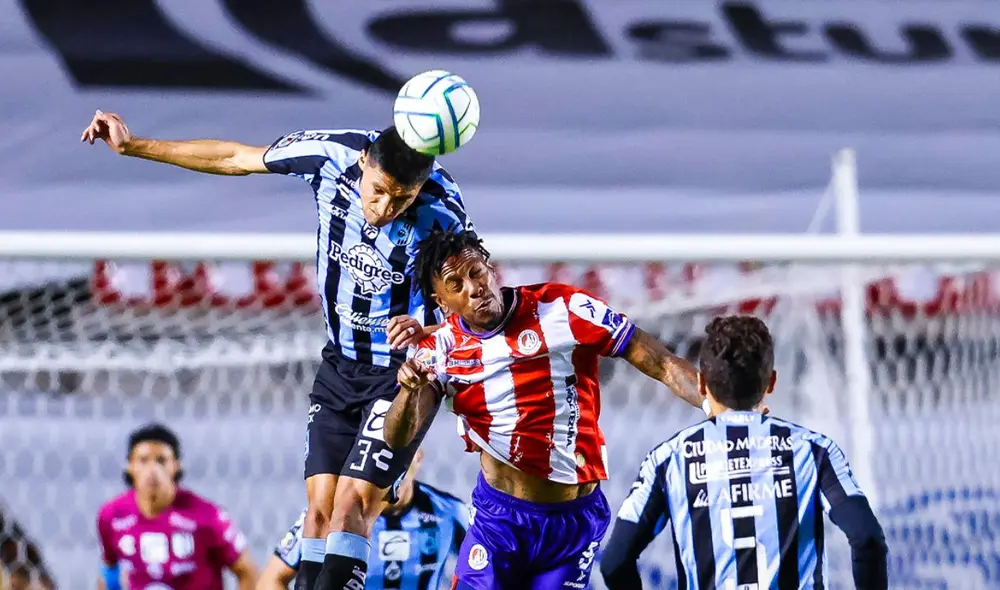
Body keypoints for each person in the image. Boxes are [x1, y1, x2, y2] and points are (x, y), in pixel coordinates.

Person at [81, 111, 477, 590]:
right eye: (378, 191)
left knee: (351, 506)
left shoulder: (444, 207)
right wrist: (135, 145)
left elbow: (478, 299)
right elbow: (235, 157)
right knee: (319, 511)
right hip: (341, 364)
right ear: (364, 162)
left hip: (403, 375)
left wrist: (429, 328)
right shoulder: (329, 155)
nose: (385, 207)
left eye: (402, 198)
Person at [382, 229, 708, 590]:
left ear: (491, 269)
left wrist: (717, 406)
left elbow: (660, 362)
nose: (473, 288)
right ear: (440, 301)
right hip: (499, 523)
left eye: (476, 273)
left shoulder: (563, 308)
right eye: (455, 285)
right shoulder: (438, 349)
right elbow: (398, 438)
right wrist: (408, 391)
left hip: (573, 524)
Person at [600, 315, 889, 589]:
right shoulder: (813, 450)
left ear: (701, 384)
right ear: (771, 382)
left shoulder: (668, 459)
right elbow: (867, 538)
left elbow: (615, 562)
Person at [258, 449, 467, 590]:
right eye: (387, 460)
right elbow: (270, 580)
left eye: (403, 456)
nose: (394, 470)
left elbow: (483, 567)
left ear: (418, 457)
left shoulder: (449, 512)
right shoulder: (334, 513)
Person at [96, 423, 259, 590]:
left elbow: (247, 572)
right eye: (143, 461)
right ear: (130, 466)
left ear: (176, 466)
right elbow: (109, 570)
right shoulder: (112, 516)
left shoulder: (209, 517)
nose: (152, 470)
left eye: (161, 461)